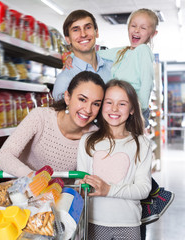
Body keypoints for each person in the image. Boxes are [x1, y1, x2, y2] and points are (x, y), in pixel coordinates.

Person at [59, 8, 174, 234]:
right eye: (133, 26)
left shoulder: (129, 55)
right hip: (108, 116)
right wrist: (69, 56)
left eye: (143, 27)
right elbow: (103, 55)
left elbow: (145, 84)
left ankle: (152, 197)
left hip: (133, 110)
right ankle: (152, 196)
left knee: (132, 151)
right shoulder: (119, 54)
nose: (137, 31)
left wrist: (135, 110)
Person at [77, 80, 152, 240]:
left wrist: (108, 190)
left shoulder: (141, 144)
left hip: (128, 224)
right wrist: (82, 186)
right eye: (109, 102)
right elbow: (80, 181)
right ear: (101, 106)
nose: (114, 108)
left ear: (132, 109)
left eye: (122, 104)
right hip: (93, 222)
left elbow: (144, 189)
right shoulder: (87, 140)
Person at [0, 71, 105, 178]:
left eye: (96, 104)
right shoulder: (41, 117)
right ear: (67, 97)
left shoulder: (94, 136)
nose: (88, 109)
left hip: (63, 195)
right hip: (23, 191)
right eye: (82, 99)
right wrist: (33, 178)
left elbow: (83, 177)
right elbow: (3, 156)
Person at [52, 10, 113, 101]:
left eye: (88, 27)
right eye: (76, 30)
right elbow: (61, 114)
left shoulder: (114, 68)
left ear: (96, 32)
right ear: (68, 39)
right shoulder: (64, 80)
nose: (83, 34)